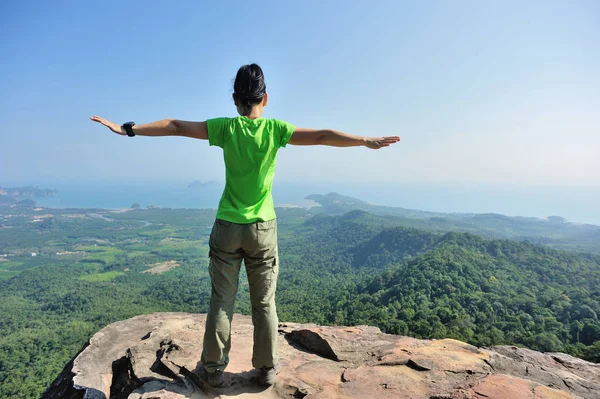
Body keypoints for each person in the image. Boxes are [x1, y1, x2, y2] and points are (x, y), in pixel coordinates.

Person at [91, 63, 400, 388]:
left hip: (227, 226)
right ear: (264, 98)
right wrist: (365, 140)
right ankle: (266, 369)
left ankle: (212, 371)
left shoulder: (226, 128)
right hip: (263, 228)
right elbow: (323, 136)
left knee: (221, 301)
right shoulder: (276, 130)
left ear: (235, 100)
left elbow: (176, 126)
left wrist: (128, 129)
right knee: (264, 303)